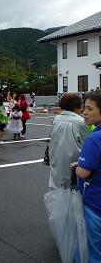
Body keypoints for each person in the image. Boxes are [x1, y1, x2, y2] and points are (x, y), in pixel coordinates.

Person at [75, 90, 101, 261]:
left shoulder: (95, 138)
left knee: (93, 251)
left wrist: (77, 167)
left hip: (95, 203)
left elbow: (83, 172)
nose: (84, 112)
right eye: (84, 107)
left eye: (90, 109)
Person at [48, 93, 88, 189]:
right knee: (73, 186)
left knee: (57, 184)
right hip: (73, 159)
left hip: (55, 155)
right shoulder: (80, 122)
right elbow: (86, 142)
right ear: (76, 107)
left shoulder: (56, 118)